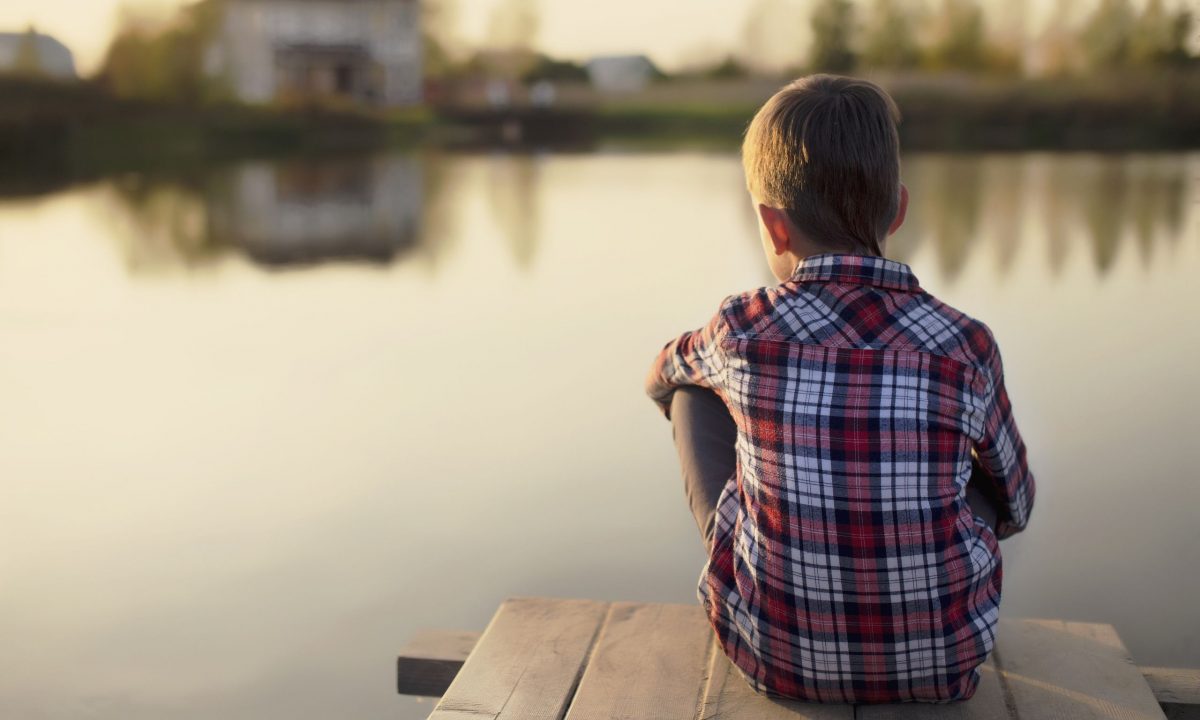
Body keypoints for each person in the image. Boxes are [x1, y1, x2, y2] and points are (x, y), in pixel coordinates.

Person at [644, 75, 1035, 705]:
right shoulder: (966, 344)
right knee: (983, 464)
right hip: (944, 667)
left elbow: (662, 371)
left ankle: (765, 573)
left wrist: (715, 414)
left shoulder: (740, 329)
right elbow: (1017, 502)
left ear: (774, 227)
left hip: (772, 659)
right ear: (899, 210)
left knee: (693, 392)